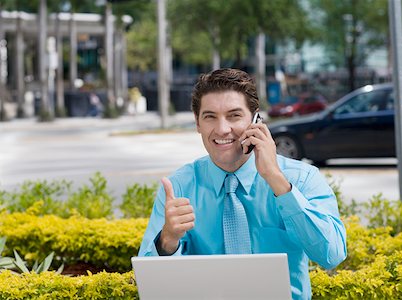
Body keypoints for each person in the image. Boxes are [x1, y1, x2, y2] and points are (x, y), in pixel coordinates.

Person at [138, 68, 347, 299]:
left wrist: (277, 180)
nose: (222, 129)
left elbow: (332, 255)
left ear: (256, 120)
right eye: (210, 117)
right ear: (197, 122)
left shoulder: (301, 178)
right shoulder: (178, 187)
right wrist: (167, 239)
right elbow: (150, 285)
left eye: (234, 115)